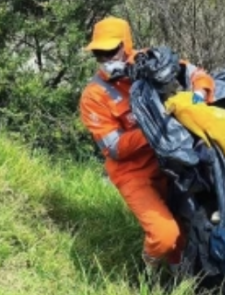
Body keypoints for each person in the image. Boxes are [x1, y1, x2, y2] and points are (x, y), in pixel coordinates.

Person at [79, 17, 215, 271]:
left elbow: (196, 73)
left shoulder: (151, 63)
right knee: (164, 235)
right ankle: (147, 271)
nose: (106, 59)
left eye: (111, 51)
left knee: (188, 228)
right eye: (99, 53)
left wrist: (199, 94)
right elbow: (114, 148)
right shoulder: (94, 97)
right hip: (132, 173)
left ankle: (180, 276)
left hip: (170, 163)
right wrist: (155, 127)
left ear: (126, 45)